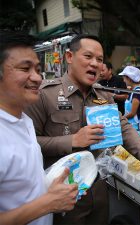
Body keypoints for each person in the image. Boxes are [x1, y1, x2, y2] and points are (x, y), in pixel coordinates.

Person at [25, 34, 140, 225]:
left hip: (98, 186)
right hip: (63, 194)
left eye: (99, 60)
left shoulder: (103, 95)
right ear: (69, 57)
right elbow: (28, 144)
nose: (95, 64)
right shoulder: (44, 95)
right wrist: (72, 140)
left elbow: (123, 127)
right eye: (88, 56)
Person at [0, 31, 78, 225]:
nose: (37, 78)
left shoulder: (24, 119)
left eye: (37, 69)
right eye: (25, 68)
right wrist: (48, 203)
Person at [119, 66, 140, 136]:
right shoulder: (132, 92)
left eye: (124, 78)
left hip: (137, 128)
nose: (124, 80)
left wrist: (121, 119)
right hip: (132, 127)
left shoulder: (137, 93)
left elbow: (132, 113)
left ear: (129, 78)